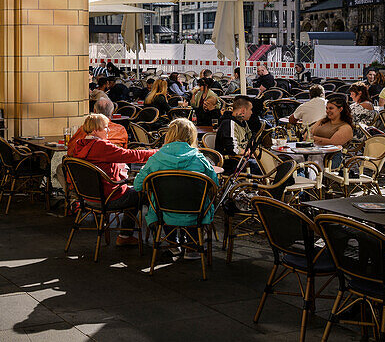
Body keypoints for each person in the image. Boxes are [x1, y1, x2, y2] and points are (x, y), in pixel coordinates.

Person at [133, 118, 218, 258]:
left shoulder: (156, 158)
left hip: (164, 213)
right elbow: (215, 185)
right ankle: (192, 246)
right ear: (192, 136)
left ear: (169, 134)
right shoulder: (199, 158)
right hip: (195, 212)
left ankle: (172, 243)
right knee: (195, 199)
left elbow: (137, 185)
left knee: (162, 199)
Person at [67, 114, 157, 245]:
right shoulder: (101, 146)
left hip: (87, 198)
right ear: (94, 130)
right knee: (145, 194)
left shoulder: (79, 145)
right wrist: (157, 153)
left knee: (131, 192)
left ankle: (125, 236)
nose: (108, 130)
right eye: (105, 128)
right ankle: (157, 238)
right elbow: (131, 155)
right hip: (110, 198)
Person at [215, 97, 255, 174]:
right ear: (243, 111)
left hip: (242, 158)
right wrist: (248, 153)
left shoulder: (243, 122)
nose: (252, 112)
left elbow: (250, 138)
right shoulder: (228, 123)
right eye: (250, 109)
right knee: (260, 167)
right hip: (230, 162)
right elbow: (233, 149)